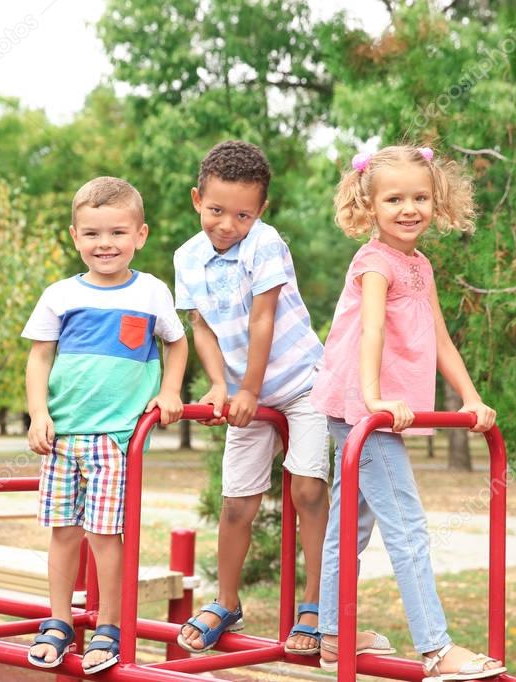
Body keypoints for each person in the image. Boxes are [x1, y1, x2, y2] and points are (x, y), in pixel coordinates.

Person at [310, 145, 506, 679]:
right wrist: (372, 399)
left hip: (364, 409)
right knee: (409, 527)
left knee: (348, 528)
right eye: (394, 198)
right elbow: (371, 330)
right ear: (369, 204)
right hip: (361, 411)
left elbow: (440, 336)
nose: (409, 208)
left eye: (420, 197)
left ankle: (332, 635)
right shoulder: (374, 263)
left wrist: (470, 396)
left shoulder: (419, 263)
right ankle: (436, 649)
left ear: (436, 201)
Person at [24, 176, 188, 674]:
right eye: (92, 234)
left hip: (114, 439)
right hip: (63, 434)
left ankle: (109, 626)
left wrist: (170, 391)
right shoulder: (60, 295)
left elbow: (175, 343)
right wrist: (38, 413)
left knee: (104, 536)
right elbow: (39, 357)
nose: (105, 244)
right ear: (75, 236)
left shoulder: (152, 292)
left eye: (117, 233)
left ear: (140, 235)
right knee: (63, 532)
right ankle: (58, 621)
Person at [174, 140, 330, 656]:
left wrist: (247, 389)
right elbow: (201, 326)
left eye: (242, 214)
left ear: (260, 211)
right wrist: (220, 384)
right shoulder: (187, 257)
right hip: (244, 392)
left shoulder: (264, 244)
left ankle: (316, 602)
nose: (227, 224)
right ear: (198, 199)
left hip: (300, 381)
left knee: (306, 490)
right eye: (216, 210)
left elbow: (263, 318)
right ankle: (226, 599)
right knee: (237, 502)